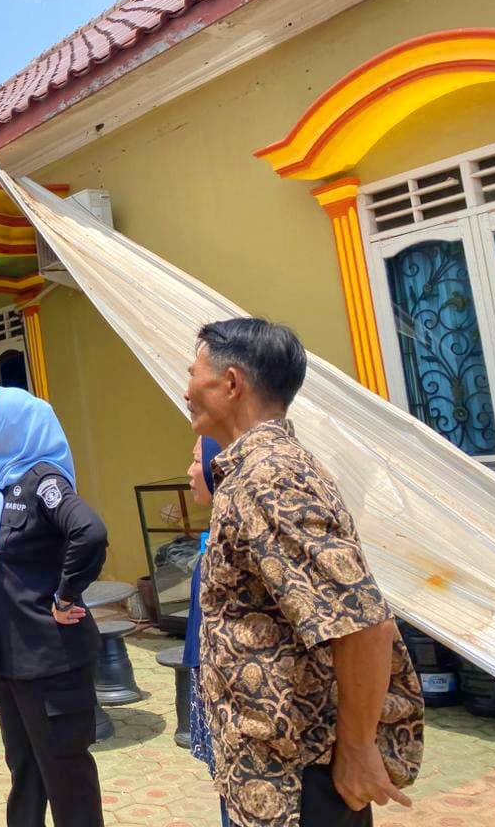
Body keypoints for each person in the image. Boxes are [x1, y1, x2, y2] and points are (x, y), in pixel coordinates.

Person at [184, 317, 424, 827]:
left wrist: (356, 749)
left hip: (295, 783)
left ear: (231, 383)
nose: (186, 391)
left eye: (193, 375)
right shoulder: (258, 471)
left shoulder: (269, 478)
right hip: (270, 771)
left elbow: (364, 624)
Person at [0, 386, 109, 827]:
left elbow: (89, 532)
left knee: (66, 778)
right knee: (24, 773)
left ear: (13, 426)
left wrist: (66, 596)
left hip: (51, 662)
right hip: (10, 662)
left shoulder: (45, 481)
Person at [181, 436, 228, 827]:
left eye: (197, 461)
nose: (189, 471)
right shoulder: (218, 528)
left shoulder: (237, 534)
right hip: (211, 682)